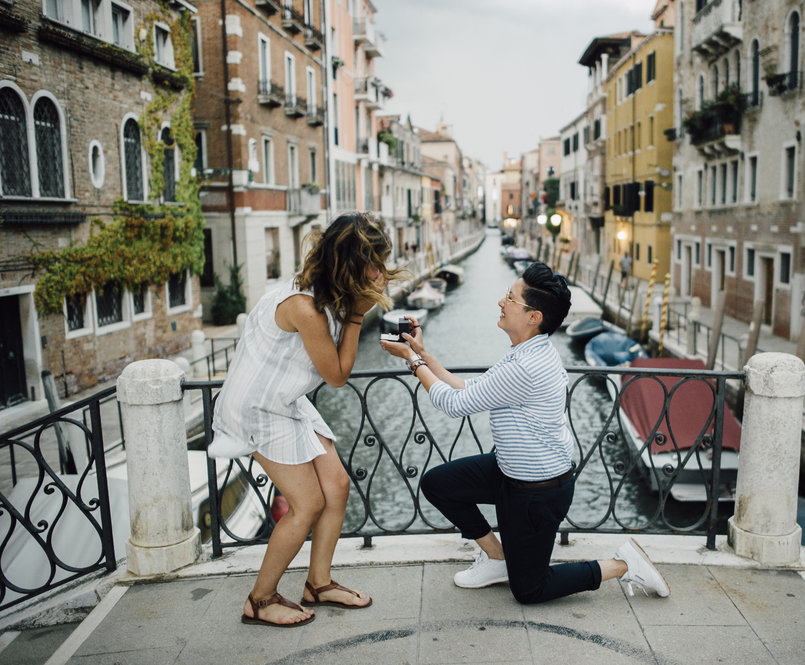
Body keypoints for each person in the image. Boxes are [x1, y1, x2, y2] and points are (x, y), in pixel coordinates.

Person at [380, 262, 670, 604]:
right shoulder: (525, 352)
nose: (501, 303)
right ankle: (497, 558)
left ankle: (621, 564)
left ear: (534, 317)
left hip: (538, 492)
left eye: (510, 298)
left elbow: (455, 404)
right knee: (438, 484)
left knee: (530, 590)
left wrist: (413, 363)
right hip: (509, 471)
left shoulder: (526, 368)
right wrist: (423, 354)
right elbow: (468, 387)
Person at [210, 212, 403, 627]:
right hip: (256, 408)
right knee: (307, 504)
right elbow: (336, 376)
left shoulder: (323, 295)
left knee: (336, 485)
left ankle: (318, 582)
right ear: (350, 264)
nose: (380, 272)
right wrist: (357, 315)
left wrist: (352, 307)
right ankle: (259, 601)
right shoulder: (306, 307)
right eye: (374, 263)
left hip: (287, 400)